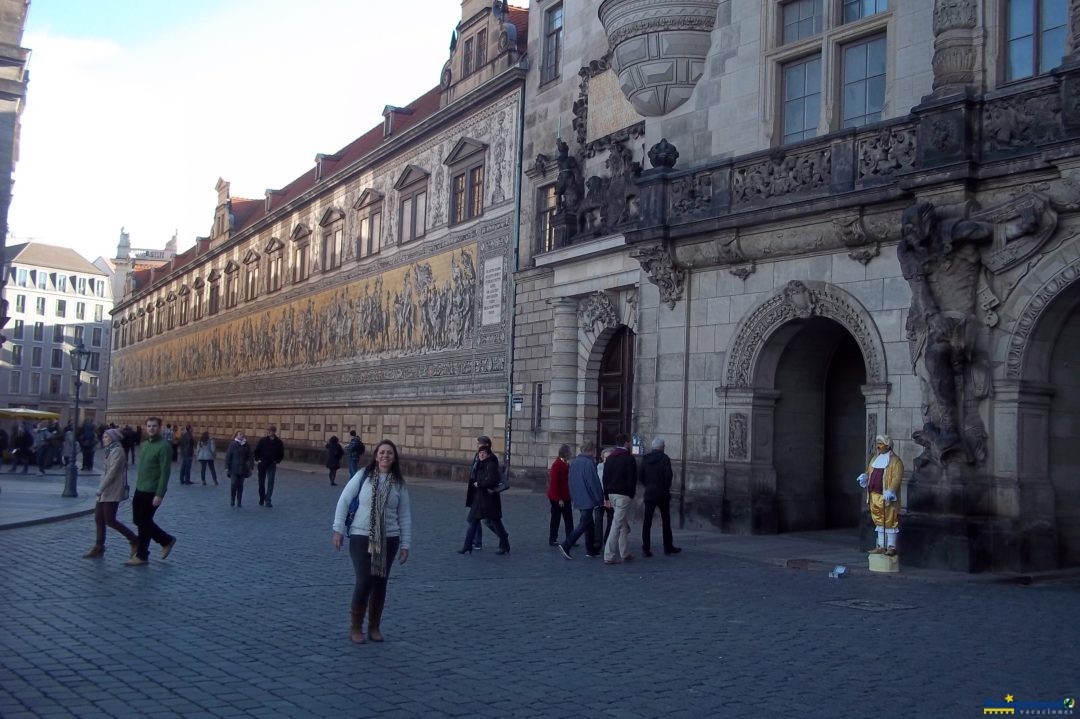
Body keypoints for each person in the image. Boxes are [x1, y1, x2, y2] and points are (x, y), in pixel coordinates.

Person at [332, 439, 412, 644]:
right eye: (382, 452)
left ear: (394, 458)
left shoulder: (398, 484)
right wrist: (338, 529)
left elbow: (405, 516)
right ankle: (356, 627)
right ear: (376, 456)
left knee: (380, 583)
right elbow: (344, 500)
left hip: (389, 538)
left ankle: (374, 626)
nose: (385, 456)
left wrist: (406, 544)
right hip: (361, 535)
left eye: (390, 453)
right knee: (365, 580)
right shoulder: (363, 476)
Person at [125, 417, 177, 566]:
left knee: (143, 521)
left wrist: (159, 494)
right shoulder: (145, 445)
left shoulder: (164, 447)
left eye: (154, 426)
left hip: (152, 491)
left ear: (159, 428)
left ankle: (143, 555)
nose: (151, 428)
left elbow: (164, 472)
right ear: (145, 428)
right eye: (149, 426)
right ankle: (165, 541)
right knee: (138, 520)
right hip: (140, 488)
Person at [82, 428, 138, 560]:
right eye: (104, 437)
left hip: (112, 489)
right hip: (105, 490)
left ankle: (135, 539)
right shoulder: (110, 449)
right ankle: (99, 546)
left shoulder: (117, 450)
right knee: (98, 518)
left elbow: (112, 472)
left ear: (113, 438)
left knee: (110, 520)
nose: (103, 439)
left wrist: (101, 488)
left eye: (106, 437)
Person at [457, 442, 511, 555]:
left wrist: (480, 483)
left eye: (483, 453)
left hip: (489, 500)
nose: (481, 455)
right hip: (480, 499)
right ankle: (467, 546)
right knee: (473, 521)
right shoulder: (480, 463)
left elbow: (493, 480)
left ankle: (505, 544)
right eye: (480, 452)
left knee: (496, 523)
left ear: (488, 453)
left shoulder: (490, 464)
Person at [858, 434, 904, 556]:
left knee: (889, 521)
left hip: (886, 497)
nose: (878, 446)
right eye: (877, 444)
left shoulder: (895, 461)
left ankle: (891, 546)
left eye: (880, 444)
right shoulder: (874, 459)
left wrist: (891, 490)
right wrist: (865, 476)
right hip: (874, 495)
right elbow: (870, 471)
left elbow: (897, 478)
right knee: (879, 521)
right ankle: (881, 546)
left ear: (887, 445)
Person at [558, 440, 604, 560]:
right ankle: (566, 544)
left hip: (578, 497)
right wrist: (600, 498)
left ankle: (591, 550)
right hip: (587, 498)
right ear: (591, 450)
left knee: (589, 524)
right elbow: (593, 483)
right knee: (584, 524)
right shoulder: (589, 463)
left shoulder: (574, 462)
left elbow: (571, 481)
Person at [639, 437, 680, 557]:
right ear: (662, 447)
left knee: (647, 522)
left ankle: (646, 548)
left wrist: (648, 485)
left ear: (652, 447)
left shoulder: (646, 458)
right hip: (662, 493)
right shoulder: (665, 458)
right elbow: (669, 476)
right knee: (666, 521)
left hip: (650, 492)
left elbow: (641, 475)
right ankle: (668, 546)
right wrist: (665, 486)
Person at [602, 433, 637, 565]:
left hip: (611, 493)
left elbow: (605, 478)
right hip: (623, 495)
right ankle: (609, 555)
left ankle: (624, 552)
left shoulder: (610, 458)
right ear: (626, 443)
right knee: (617, 524)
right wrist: (631, 494)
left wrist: (606, 496)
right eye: (629, 442)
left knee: (622, 523)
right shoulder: (628, 459)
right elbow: (632, 479)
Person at [464, 435, 491, 551]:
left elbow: (488, 476)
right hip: (475, 491)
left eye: (479, 444)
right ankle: (476, 542)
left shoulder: (488, 458)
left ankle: (503, 536)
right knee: (475, 518)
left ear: (486, 446)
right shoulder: (477, 456)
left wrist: (480, 483)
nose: (477, 447)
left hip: (483, 492)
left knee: (487, 520)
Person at [547, 444, 573, 547]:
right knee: (556, 518)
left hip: (565, 495)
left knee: (568, 518)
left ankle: (571, 538)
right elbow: (554, 483)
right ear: (566, 454)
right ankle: (552, 539)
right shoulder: (557, 465)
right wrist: (559, 499)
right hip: (557, 497)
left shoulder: (566, 463)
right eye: (569, 452)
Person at [255, 425, 285, 507]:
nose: (268, 432)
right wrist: (258, 459)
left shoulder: (279, 442)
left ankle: (268, 500)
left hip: (271, 465)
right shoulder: (262, 440)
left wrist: (277, 461)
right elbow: (256, 451)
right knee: (261, 483)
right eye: (267, 430)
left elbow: (281, 454)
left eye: (270, 431)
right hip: (262, 464)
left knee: (271, 482)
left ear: (274, 432)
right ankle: (262, 497)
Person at [225, 430, 254, 507]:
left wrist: (251, 466)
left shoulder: (246, 445)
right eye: (240, 434)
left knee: (240, 485)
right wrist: (226, 467)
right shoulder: (232, 444)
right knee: (234, 484)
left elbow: (250, 456)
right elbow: (228, 456)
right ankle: (232, 499)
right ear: (236, 436)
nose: (241, 435)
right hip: (233, 468)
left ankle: (239, 501)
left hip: (243, 468)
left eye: (242, 434)